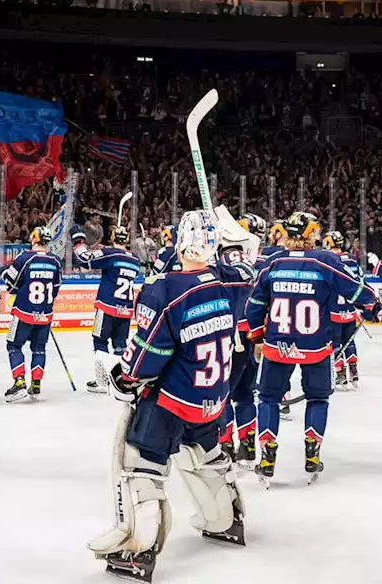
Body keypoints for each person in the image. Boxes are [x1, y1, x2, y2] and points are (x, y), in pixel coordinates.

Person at [87, 210, 251, 583]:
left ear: (179, 243)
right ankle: (225, 520)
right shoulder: (231, 283)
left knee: (140, 463)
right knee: (205, 456)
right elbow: (246, 268)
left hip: (172, 399)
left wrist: (126, 378)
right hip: (212, 396)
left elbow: (147, 355)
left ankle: (138, 549)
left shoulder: (165, 290)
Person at [244, 212, 374, 486]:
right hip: (316, 347)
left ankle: (267, 456)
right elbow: (354, 289)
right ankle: (312, 453)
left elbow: (255, 305)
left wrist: (256, 335)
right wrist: (372, 303)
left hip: (276, 346)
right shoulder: (324, 261)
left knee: (268, 399)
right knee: (318, 399)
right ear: (312, 233)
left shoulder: (273, 262)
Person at [218, 213, 265, 465]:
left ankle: (225, 444)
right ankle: (247, 444)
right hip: (253, 333)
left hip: (234, 335)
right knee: (246, 393)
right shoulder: (257, 257)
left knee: (224, 392)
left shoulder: (231, 255)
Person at [73, 223, 140, 393]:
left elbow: (85, 259)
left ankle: (102, 381)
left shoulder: (110, 253)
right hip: (125, 310)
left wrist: (78, 242)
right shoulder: (134, 259)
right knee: (120, 344)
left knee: (100, 341)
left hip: (107, 307)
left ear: (112, 238)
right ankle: (119, 380)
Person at [0, 226, 63, 402]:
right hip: (45, 315)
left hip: (23, 313)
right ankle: (36, 383)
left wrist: (3, 271)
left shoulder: (24, 258)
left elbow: (11, 286)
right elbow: (56, 289)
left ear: (33, 239)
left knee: (14, 346)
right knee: (39, 348)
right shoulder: (56, 261)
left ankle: (19, 382)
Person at [322, 230, 371, 390]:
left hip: (333, 311)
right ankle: (353, 369)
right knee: (349, 341)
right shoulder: (352, 260)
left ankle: (340, 373)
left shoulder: (328, 261)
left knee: (334, 342)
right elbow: (360, 282)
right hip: (350, 310)